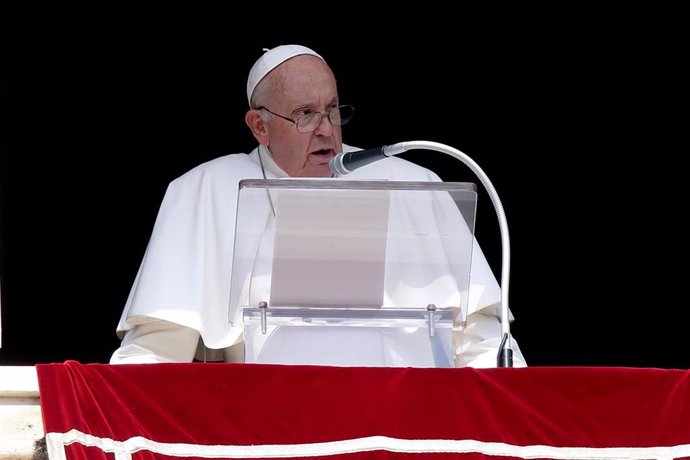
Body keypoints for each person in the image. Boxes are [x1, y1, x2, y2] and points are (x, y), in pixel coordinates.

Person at [110, 44, 527, 368]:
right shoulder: (207, 188)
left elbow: (479, 336)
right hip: (270, 424)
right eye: (305, 115)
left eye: (331, 110)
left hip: (408, 417)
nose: (327, 130)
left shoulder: (412, 183)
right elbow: (159, 345)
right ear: (260, 126)